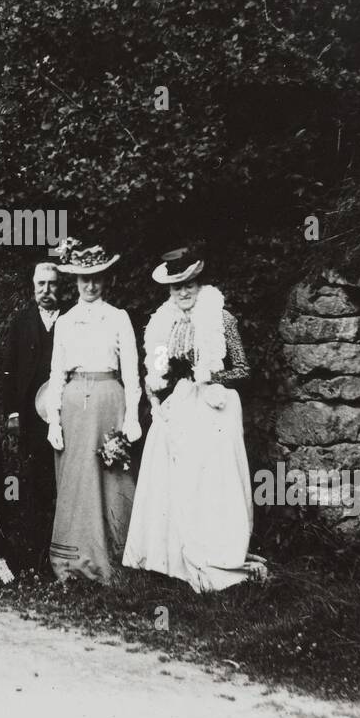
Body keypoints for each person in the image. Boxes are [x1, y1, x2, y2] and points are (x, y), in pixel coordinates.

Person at [123, 247, 264, 592]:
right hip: (182, 405)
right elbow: (156, 372)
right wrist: (157, 385)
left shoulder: (221, 318)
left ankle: (214, 553)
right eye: (176, 287)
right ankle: (170, 559)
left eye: (189, 285)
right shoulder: (162, 323)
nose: (183, 293)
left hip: (216, 407)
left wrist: (211, 378)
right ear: (168, 291)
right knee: (172, 480)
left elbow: (244, 370)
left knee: (211, 483)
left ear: (199, 284)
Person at [44, 238, 142, 583]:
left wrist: (132, 415)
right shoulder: (66, 322)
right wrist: (53, 419)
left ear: (106, 280)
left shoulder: (118, 318)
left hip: (109, 400)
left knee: (113, 474)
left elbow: (131, 369)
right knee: (77, 480)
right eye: (84, 279)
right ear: (75, 282)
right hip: (74, 402)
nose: (90, 285)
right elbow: (57, 372)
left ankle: (117, 560)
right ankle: (74, 563)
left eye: (97, 277)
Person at [1, 260, 61, 570]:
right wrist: (12, 414)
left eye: (52, 284)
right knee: (35, 481)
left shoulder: (71, 319)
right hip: (30, 414)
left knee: (64, 479)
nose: (46, 291)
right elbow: (8, 371)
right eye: (41, 285)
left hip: (65, 412)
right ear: (32, 287)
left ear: (60, 286)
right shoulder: (21, 322)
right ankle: (36, 552)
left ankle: (64, 547)